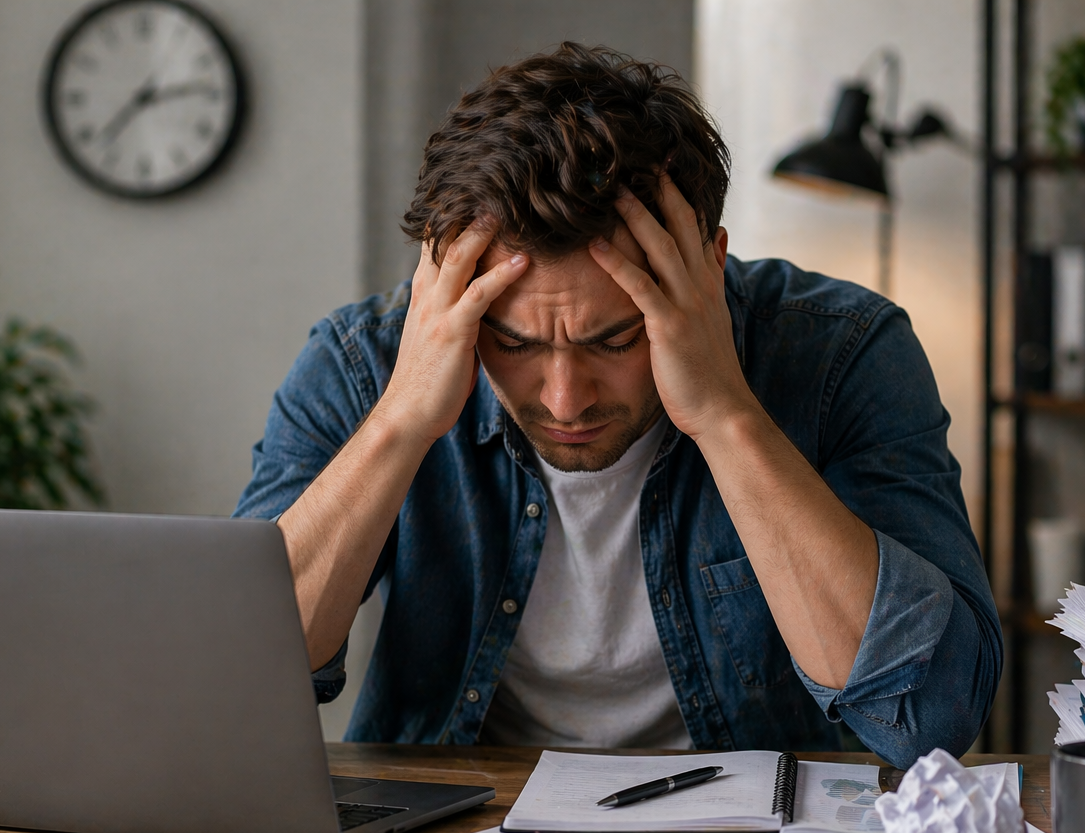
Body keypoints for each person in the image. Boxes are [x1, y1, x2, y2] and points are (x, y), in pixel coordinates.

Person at [234, 43, 1000, 767]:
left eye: (615, 339)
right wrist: (402, 422)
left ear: (708, 269)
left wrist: (727, 416)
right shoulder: (363, 363)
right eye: (516, 342)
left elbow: (930, 720)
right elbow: (229, 684)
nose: (565, 399)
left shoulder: (842, 353)